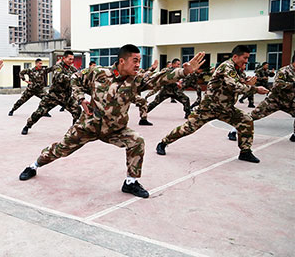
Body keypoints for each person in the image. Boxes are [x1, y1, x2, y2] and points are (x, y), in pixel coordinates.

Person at [18, 45, 205, 198]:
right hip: (88, 126)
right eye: (135, 61)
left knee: (137, 141)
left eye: (140, 61)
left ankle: (130, 182)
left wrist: (183, 71)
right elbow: (75, 78)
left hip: (115, 130)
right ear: (122, 61)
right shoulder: (98, 73)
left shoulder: (136, 80)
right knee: (60, 150)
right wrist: (81, 97)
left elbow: (159, 78)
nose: (138, 65)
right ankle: (34, 166)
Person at [156, 45, 269, 163]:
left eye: (247, 58)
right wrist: (255, 89)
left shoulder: (238, 69)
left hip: (225, 109)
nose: (246, 61)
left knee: (246, 120)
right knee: (187, 128)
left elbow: (239, 83)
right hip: (208, 108)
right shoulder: (227, 67)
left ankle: (245, 152)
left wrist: (248, 83)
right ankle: (163, 143)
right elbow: (233, 85)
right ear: (235, 56)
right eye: (245, 58)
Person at [228, 53, 295, 142]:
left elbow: (270, 75)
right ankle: (233, 131)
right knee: (254, 115)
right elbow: (277, 85)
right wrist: (292, 85)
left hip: (290, 102)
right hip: (274, 101)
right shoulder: (284, 71)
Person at [21, 50, 81, 135]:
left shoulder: (73, 69)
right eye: (69, 59)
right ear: (64, 58)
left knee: (77, 111)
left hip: (66, 97)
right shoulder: (58, 67)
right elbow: (59, 77)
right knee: (39, 112)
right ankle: (27, 126)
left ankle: (74, 131)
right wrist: (72, 77)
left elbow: (77, 81)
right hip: (53, 96)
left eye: (72, 59)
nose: (71, 61)